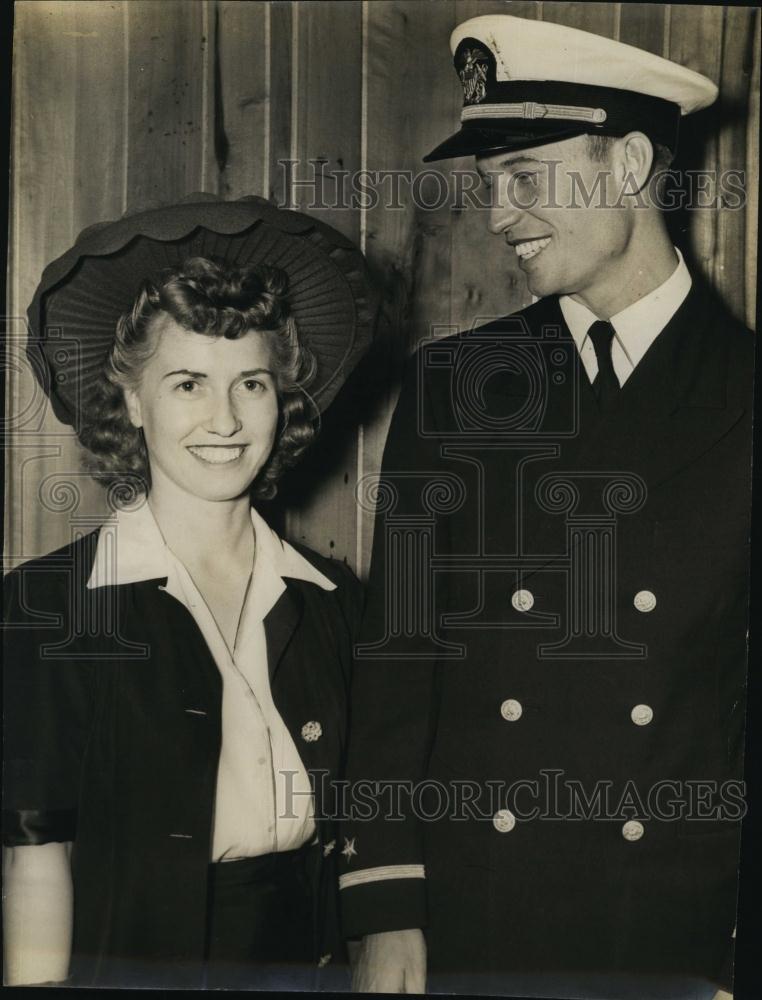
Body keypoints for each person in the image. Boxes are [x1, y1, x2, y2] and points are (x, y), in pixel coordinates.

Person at [339, 14, 753, 1000]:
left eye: (527, 175)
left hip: (678, 924)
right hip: (476, 914)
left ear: (633, 162)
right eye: (490, 185)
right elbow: (396, 666)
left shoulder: (747, 390)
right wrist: (384, 903)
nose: (501, 215)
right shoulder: (452, 388)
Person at [3, 197, 375, 989]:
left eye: (252, 384)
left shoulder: (333, 603)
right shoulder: (47, 608)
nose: (225, 419)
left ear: (284, 401)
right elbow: (37, 867)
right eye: (186, 384)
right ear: (132, 403)